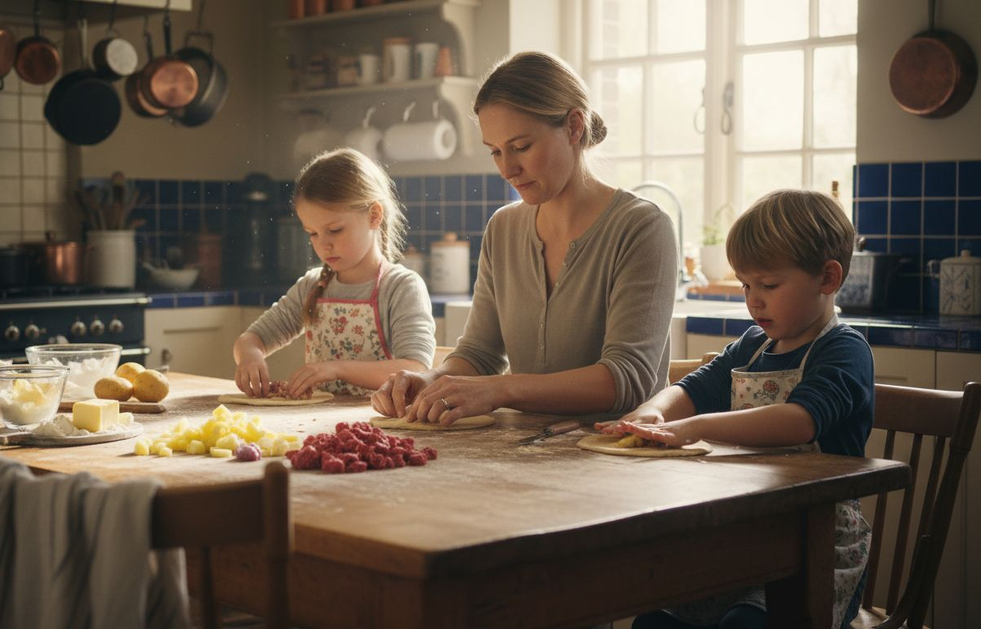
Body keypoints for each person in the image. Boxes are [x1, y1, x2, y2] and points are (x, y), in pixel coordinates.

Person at [604, 189, 873, 629]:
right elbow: (691, 388)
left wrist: (693, 429)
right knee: (654, 618)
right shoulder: (752, 346)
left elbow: (799, 421)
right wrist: (652, 411)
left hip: (816, 542)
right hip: (744, 529)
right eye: (746, 285)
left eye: (768, 285)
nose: (754, 300)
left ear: (827, 277)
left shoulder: (844, 351)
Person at [371, 51, 678, 424]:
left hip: (621, 456)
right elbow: (480, 353)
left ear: (574, 127)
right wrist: (431, 380)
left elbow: (627, 379)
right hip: (523, 452)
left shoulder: (642, 228)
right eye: (495, 152)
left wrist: (501, 388)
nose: (507, 169)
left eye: (521, 147)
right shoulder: (503, 228)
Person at [233, 148, 435, 398]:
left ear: (374, 215)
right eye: (313, 233)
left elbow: (414, 369)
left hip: (377, 428)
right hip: (318, 426)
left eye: (335, 230)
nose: (323, 244)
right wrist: (250, 357)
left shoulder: (400, 287)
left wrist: (336, 369)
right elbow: (251, 339)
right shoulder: (312, 286)